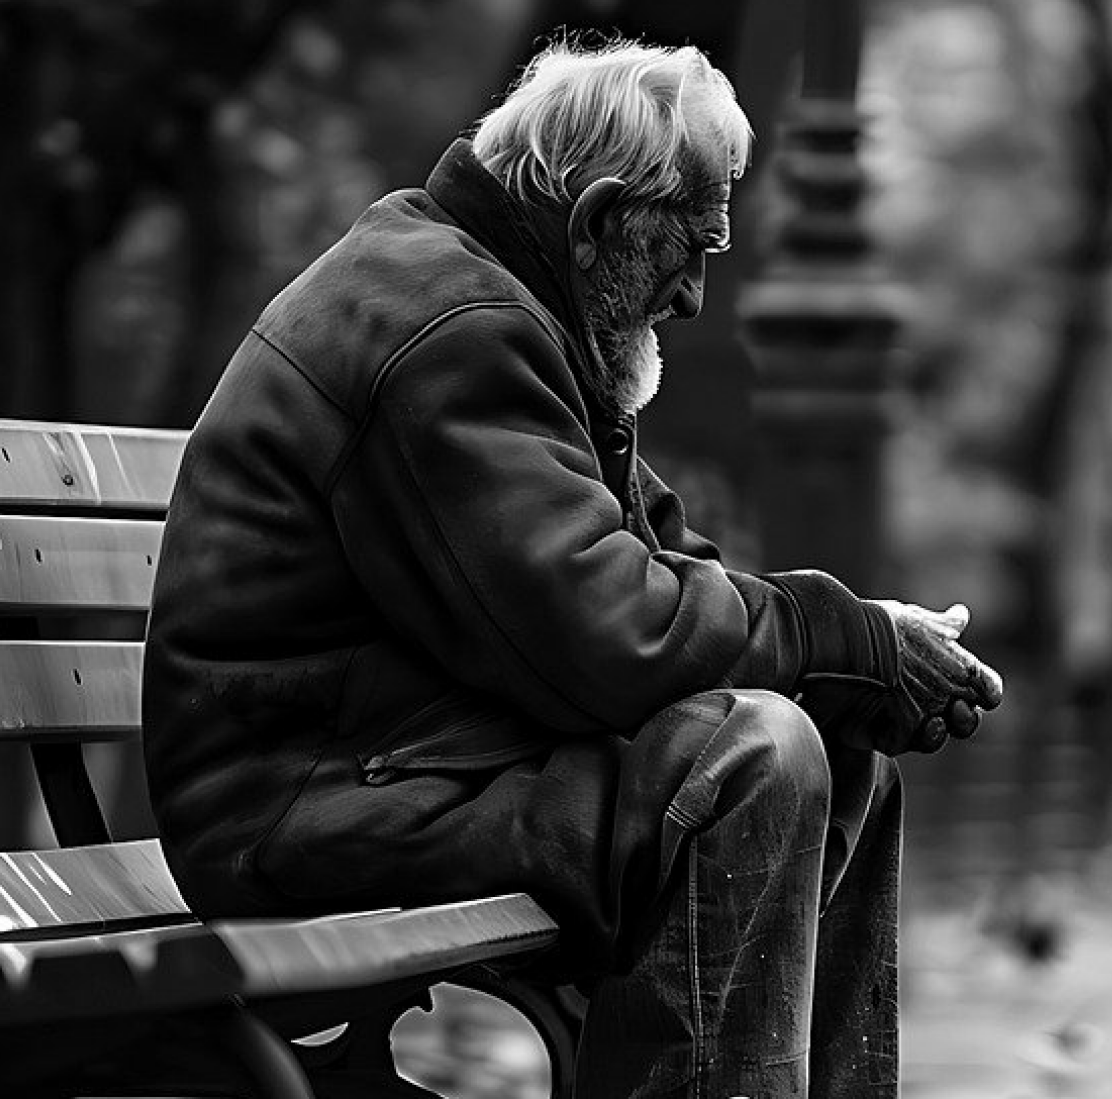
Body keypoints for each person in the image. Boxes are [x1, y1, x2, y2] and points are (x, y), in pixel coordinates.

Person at [140, 38, 1005, 1099]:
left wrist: (858, 651)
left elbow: (657, 565)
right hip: (306, 813)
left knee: (831, 738)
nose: (691, 295)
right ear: (598, 223)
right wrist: (840, 634)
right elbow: (609, 634)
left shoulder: (500, 301)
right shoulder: (454, 327)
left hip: (417, 766)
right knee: (754, 755)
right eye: (691, 247)